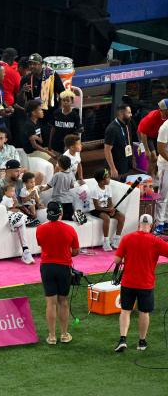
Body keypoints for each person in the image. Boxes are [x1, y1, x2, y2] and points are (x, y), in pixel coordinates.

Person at [112, 213, 168, 352]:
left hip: (128, 282)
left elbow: (117, 260)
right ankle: (142, 342)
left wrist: (126, 259)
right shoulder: (156, 241)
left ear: (139, 224)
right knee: (144, 313)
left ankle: (123, 339)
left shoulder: (127, 238)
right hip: (146, 283)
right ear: (151, 225)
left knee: (125, 311)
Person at [36, 201, 80, 345]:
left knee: (51, 302)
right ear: (61, 213)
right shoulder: (70, 229)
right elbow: (75, 251)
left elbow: (42, 245)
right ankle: (64, 334)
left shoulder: (40, 229)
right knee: (63, 302)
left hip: (47, 267)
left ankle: (52, 336)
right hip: (63, 268)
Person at [103, 104, 134, 180]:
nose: (131, 115)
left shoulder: (127, 124)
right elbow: (107, 150)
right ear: (121, 114)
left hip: (126, 164)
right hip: (116, 167)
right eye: (129, 113)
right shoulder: (112, 129)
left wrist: (132, 158)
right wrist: (112, 168)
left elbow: (128, 142)